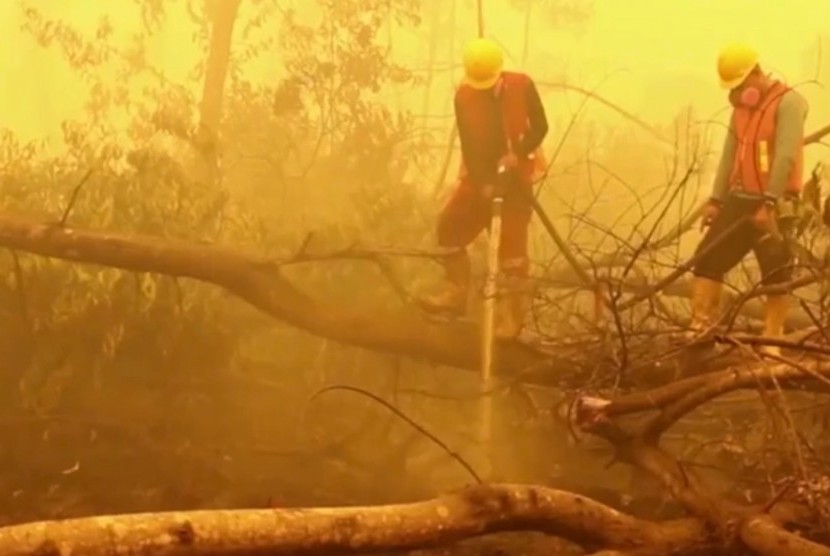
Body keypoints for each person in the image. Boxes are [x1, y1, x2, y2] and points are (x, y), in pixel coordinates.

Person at [420, 37, 549, 339]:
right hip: (479, 176)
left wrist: (517, 153)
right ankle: (455, 293)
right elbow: (469, 144)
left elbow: (540, 126)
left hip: (516, 178)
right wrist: (483, 185)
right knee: (449, 226)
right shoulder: (463, 96)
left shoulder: (521, 85)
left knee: (512, 253)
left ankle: (511, 319)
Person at [689, 43, 808, 356]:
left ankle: (773, 342)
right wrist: (715, 199)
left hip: (777, 202)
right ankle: (702, 328)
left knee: (775, 273)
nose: (739, 93)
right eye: (733, 89)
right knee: (706, 260)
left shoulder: (790, 103)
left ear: (757, 73)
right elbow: (729, 154)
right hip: (739, 198)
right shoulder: (740, 109)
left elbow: (784, 156)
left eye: (742, 85)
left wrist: (769, 202)